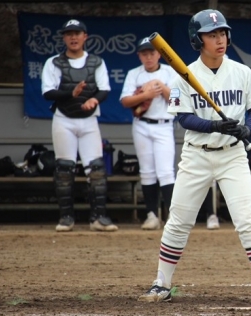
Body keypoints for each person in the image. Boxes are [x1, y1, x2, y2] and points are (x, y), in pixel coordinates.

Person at [139, 8, 251, 305]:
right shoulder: (184, 76)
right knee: (178, 221)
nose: (219, 39)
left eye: (222, 33)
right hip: (196, 156)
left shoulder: (242, 72)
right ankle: (162, 283)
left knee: (247, 220)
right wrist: (214, 125)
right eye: (211, 35)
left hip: (232, 155)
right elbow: (184, 118)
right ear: (198, 40)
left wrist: (248, 130)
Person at [41, 18, 118, 232]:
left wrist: (94, 100)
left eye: (77, 33)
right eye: (69, 34)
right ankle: (66, 218)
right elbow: (48, 92)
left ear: (85, 37)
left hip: (89, 120)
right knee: (65, 169)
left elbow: (104, 89)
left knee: (96, 169)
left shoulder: (96, 62)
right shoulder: (53, 62)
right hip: (63, 119)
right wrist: (70, 93)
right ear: (64, 38)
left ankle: (98, 218)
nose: (73, 37)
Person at [120, 36, 176, 230]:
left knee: (166, 172)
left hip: (164, 125)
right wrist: (146, 95)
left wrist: (160, 86)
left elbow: (177, 101)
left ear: (159, 54)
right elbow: (125, 101)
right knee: (147, 172)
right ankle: (152, 215)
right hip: (141, 125)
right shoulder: (134, 74)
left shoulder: (170, 72)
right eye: (144, 54)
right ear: (139, 56)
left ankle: (173, 218)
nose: (148, 57)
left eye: (151, 52)